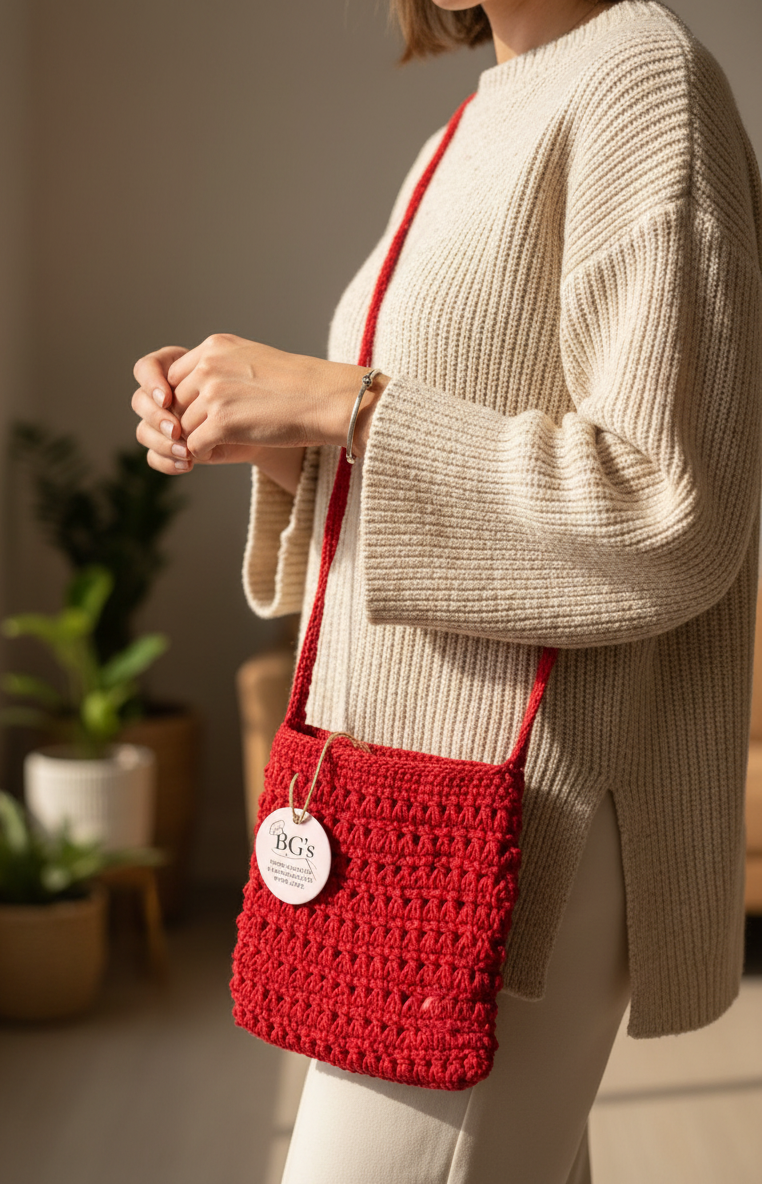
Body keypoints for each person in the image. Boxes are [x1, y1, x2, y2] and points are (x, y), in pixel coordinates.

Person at [131, 1, 762, 1179]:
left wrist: (345, 401)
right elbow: (420, 457)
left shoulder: (643, 77)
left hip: (516, 819)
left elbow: (670, 507)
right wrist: (279, 438)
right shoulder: (467, 124)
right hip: (404, 789)